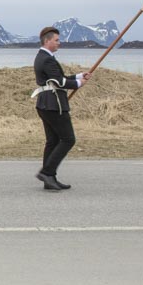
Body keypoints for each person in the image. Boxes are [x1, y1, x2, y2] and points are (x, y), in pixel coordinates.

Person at [33, 26, 91, 191]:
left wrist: (79, 76)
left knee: (53, 141)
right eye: (57, 40)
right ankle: (47, 172)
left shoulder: (43, 57)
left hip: (45, 104)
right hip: (54, 105)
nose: (59, 43)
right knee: (68, 139)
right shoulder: (47, 59)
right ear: (47, 40)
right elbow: (60, 82)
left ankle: (49, 179)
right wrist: (79, 84)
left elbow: (59, 78)